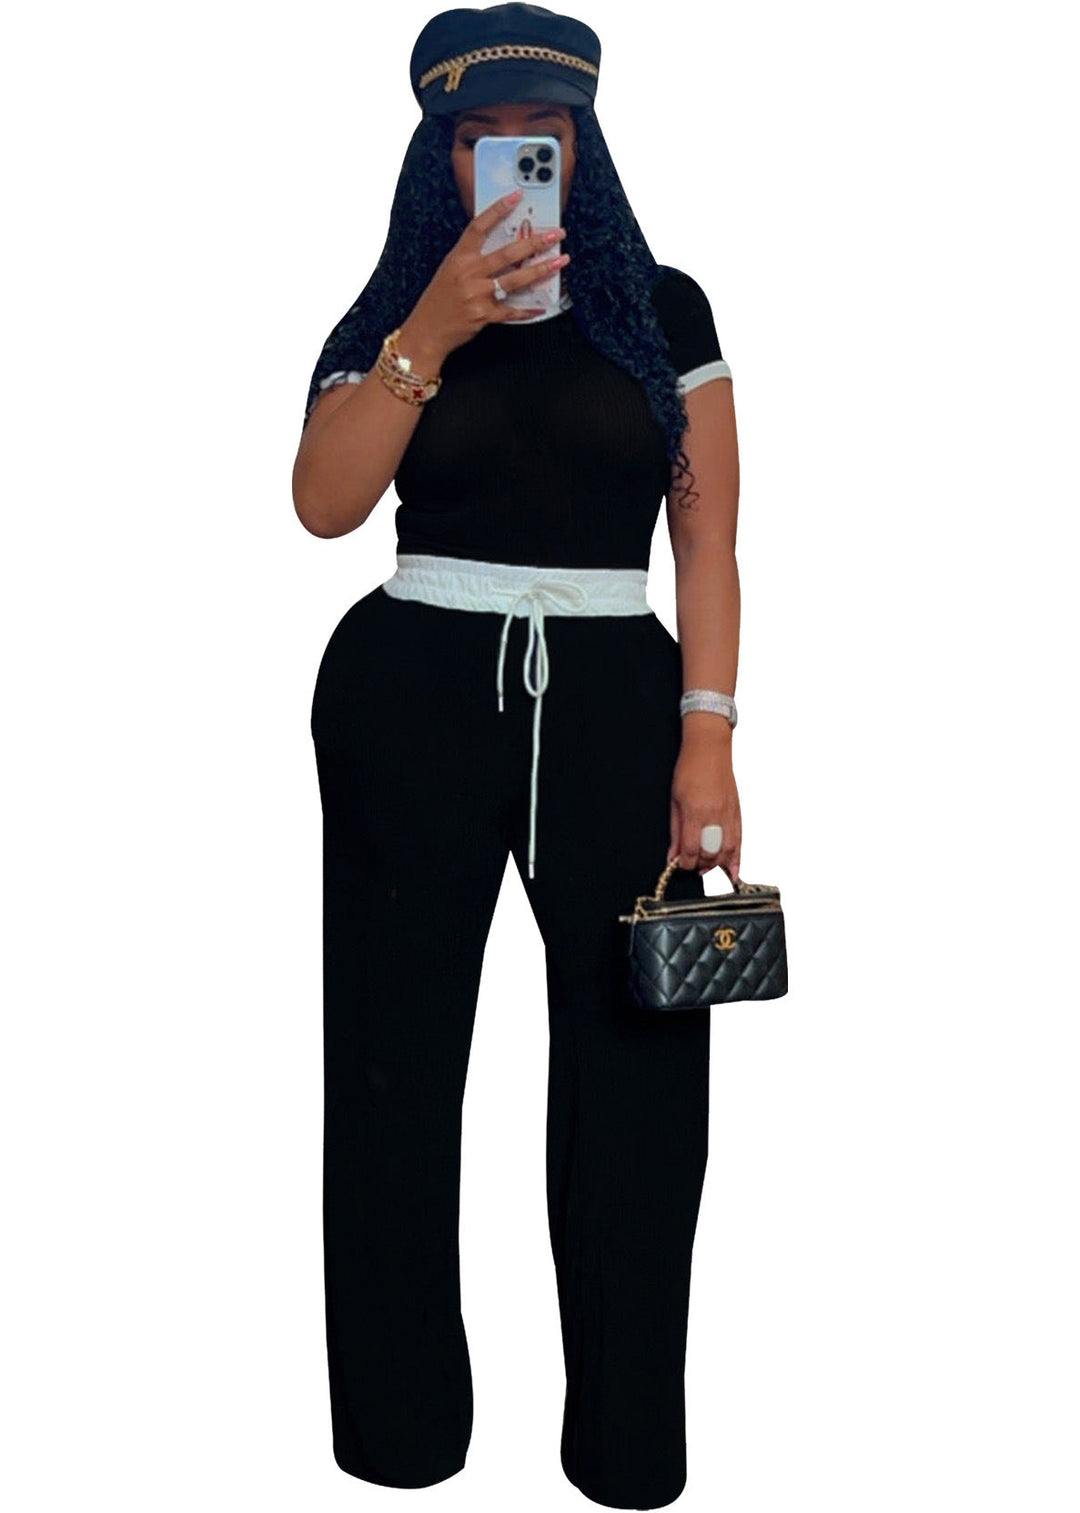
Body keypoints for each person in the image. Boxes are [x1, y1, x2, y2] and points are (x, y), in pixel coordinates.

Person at [292, 6, 743, 1508]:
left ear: (582, 144)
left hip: (619, 698)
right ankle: (400, 1435)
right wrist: (431, 332)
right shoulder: (392, 308)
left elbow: (709, 542)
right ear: (439, 152)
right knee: (393, 1061)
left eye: (540, 136)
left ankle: (627, 1447)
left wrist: (709, 737)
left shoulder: (662, 309)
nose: (511, 160)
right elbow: (323, 506)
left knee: (640, 1077)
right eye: (480, 138)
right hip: (409, 689)